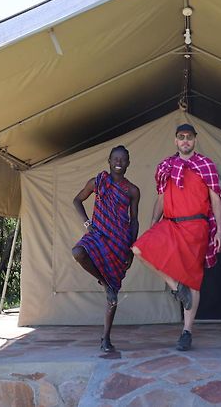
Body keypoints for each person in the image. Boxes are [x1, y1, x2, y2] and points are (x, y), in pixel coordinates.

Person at [132, 123, 221, 351]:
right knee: (139, 249)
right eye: (181, 137)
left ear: (195, 140)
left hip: (196, 227)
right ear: (175, 140)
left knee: (193, 279)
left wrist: (220, 229)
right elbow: (161, 198)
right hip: (171, 224)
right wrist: (154, 223)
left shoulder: (206, 165)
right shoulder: (166, 166)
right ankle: (176, 288)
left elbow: (216, 199)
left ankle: (186, 331)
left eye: (189, 137)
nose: (185, 141)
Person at [72, 145, 140, 353]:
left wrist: (131, 248)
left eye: (123, 159)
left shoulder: (132, 190)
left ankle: (106, 338)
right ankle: (103, 280)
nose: (119, 162)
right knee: (78, 252)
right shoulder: (97, 182)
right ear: (109, 161)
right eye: (115, 159)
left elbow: (134, 222)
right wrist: (86, 223)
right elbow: (77, 200)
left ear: (128, 163)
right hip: (98, 234)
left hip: (120, 243)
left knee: (113, 293)